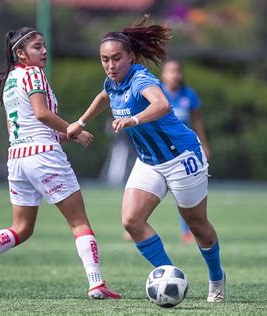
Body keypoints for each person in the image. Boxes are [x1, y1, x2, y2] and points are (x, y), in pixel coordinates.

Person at [67, 16, 226, 303]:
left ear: (131, 57)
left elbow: (162, 104)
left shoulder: (141, 77)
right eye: (105, 59)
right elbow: (105, 95)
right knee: (131, 221)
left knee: (197, 225)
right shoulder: (111, 81)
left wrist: (134, 119)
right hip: (150, 160)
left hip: (181, 157)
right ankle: (169, 274)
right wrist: (81, 121)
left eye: (116, 58)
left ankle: (216, 277)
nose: (111, 65)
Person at [0, 27, 120, 300]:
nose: (43, 51)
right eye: (36, 47)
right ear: (20, 53)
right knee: (79, 222)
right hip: (44, 157)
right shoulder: (34, 73)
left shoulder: (10, 80)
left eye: (44, 45)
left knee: (22, 229)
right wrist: (75, 129)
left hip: (18, 158)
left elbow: (20, 127)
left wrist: (63, 135)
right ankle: (96, 283)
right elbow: (41, 113)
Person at [161, 60, 211, 244]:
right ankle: (137, 225)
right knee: (150, 189)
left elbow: (197, 121)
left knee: (186, 193)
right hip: (161, 150)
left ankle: (187, 232)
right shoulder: (156, 93)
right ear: (163, 75)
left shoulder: (189, 95)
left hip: (185, 151)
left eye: (177, 71)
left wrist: (204, 144)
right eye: (170, 71)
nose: (174, 75)